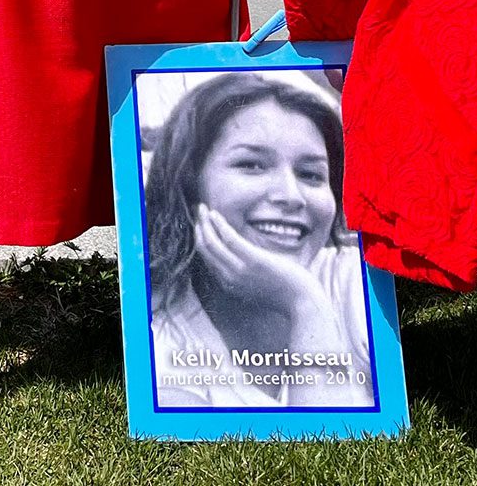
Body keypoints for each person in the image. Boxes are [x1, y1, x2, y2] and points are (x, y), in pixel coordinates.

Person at [143, 71, 373, 408]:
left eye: (311, 174)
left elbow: (341, 453)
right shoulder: (160, 331)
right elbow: (321, 445)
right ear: (189, 184)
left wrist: (306, 303)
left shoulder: (353, 282)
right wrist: (304, 302)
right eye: (251, 165)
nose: (291, 196)